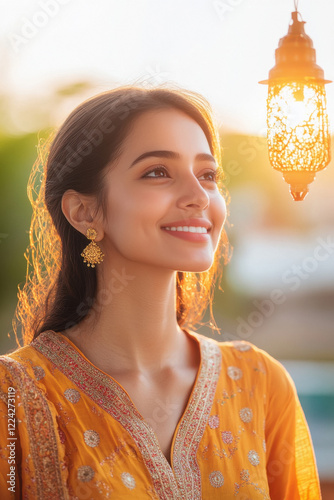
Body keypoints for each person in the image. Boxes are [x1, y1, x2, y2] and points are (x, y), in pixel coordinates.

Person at [0, 85, 321, 499]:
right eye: (157, 172)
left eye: (207, 175)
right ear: (84, 212)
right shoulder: (14, 399)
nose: (198, 197)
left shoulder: (260, 383)